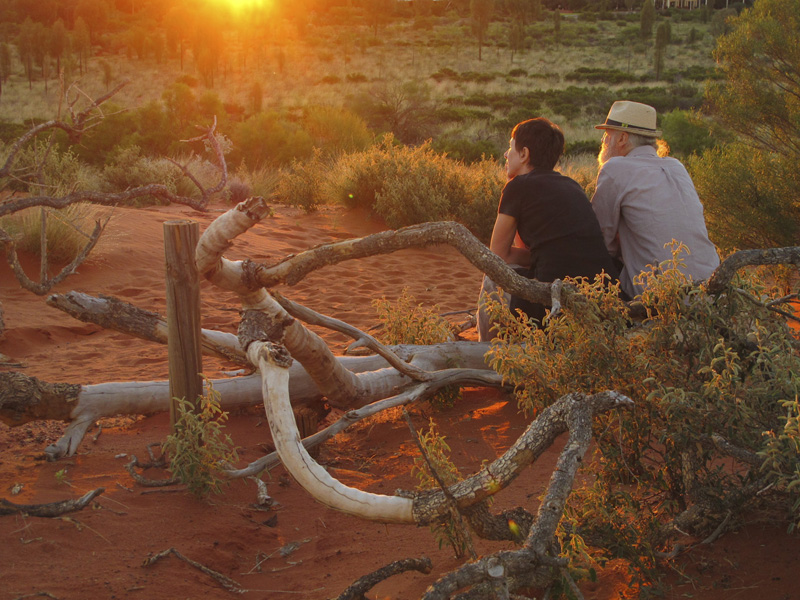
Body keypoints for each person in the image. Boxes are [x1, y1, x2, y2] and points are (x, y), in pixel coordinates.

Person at [477, 117, 619, 341]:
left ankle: (487, 353)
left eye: (510, 146)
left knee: (492, 277)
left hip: (552, 301)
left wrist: (537, 254)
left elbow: (498, 255)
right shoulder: (571, 185)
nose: (506, 154)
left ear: (524, 154)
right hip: (602, 300)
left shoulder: (517, 187)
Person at [591, 101, 720, 299]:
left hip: (660, 295)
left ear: (622, 138)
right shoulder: (676, 166)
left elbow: (601, 241)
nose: (603, 142)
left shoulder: (615, 168)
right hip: (711, 287)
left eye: (607, 136)